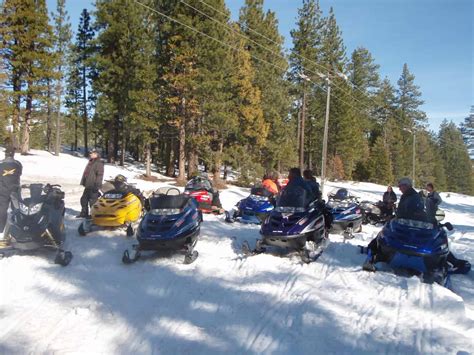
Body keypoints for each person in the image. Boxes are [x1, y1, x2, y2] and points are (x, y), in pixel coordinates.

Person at [0, 146, 22, 239]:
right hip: (14, 190)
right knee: (16, 210)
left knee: (2, 210)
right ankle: (18, 228)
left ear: (5, 154)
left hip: (2, 190)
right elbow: (19, 174)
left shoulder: (0, 164)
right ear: (13, 154)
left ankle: (0, 229)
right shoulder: (18, 164)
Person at [77, 149, 104, 218]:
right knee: (83, 199)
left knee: (93, 201)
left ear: (96, 154)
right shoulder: (91, 161)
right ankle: (84, 213)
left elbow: (100, 175)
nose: (90, 154)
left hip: (93, 185)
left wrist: (97, 185)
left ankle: (93, 215)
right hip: (88, 185)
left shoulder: (99, 163)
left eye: (92, 153)